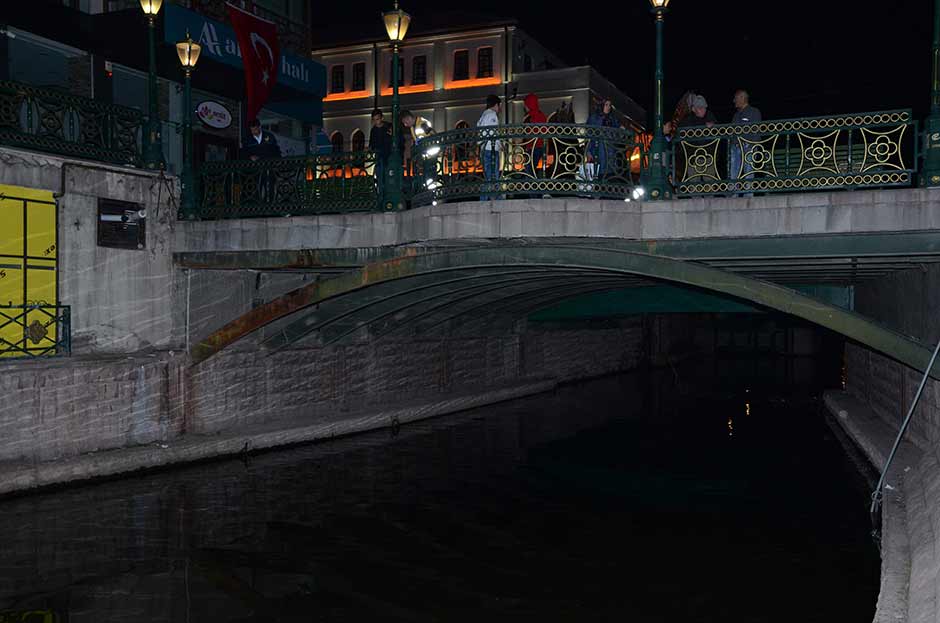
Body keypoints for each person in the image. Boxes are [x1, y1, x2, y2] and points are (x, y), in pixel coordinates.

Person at [730, 89, 762, 196]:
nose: (734, 101)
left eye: (735, 98)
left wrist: (753, 146)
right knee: (733, 171)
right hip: (735, 147)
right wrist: (733, 144)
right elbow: (732, 131)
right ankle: (734, 194)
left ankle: (748, 195)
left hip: (748, 146)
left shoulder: (754, 112)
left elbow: (756, 130)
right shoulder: (736, 115)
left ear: (742, 98)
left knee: (748, 171)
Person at [586, 98, 622, 180]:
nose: (608, 107)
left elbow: (618, 129)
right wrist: (588, 151)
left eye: (610, 105)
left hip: (610, 149)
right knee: (599, 171)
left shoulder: (612, 118)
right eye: (606, 105)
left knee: (610, 172)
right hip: (598, 148)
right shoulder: (594, 118)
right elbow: (589, 135)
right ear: (601, 105)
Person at [477, 94, 502, 200]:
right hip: (490, 149)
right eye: (499, 105)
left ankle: (486, 199)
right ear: (496, 105)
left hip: (484, 149)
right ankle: (496, 199)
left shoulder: (483, 115)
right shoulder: (492, 115)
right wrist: (500, 145)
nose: (500, 108)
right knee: (493, 175)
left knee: (488, 176)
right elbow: (493, 132)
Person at [369, 109, 392, 200]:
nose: (376, 122)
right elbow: (372, 145)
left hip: (389, 157)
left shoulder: (388, 127)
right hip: (379, 158)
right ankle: (381, 197)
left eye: (377, 119)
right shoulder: (373, 130)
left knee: (389, 178)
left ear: (382, 118)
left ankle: (387, 197)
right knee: (380, 178)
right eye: (374, 120)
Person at [523, 93, 547, 177]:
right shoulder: (542, 115)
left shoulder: (529, 117)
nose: (524, 107)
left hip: (532, 147)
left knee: (529, 170)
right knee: (532, 169)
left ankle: (529, 184)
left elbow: (526, 133)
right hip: (540, 146)